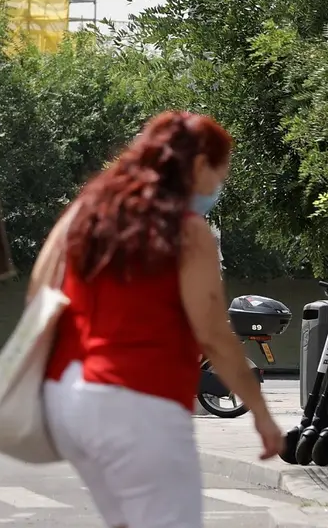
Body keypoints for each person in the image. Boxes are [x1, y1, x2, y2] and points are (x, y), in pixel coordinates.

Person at [38, 111, 284, 528]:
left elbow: (41, 296)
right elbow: (212, 332)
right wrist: (261, 413)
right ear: (199, 165)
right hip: (142, 402)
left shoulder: (85, 214)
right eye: (219, 173)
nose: (217, 187)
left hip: (74, 401)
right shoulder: (187, 232)